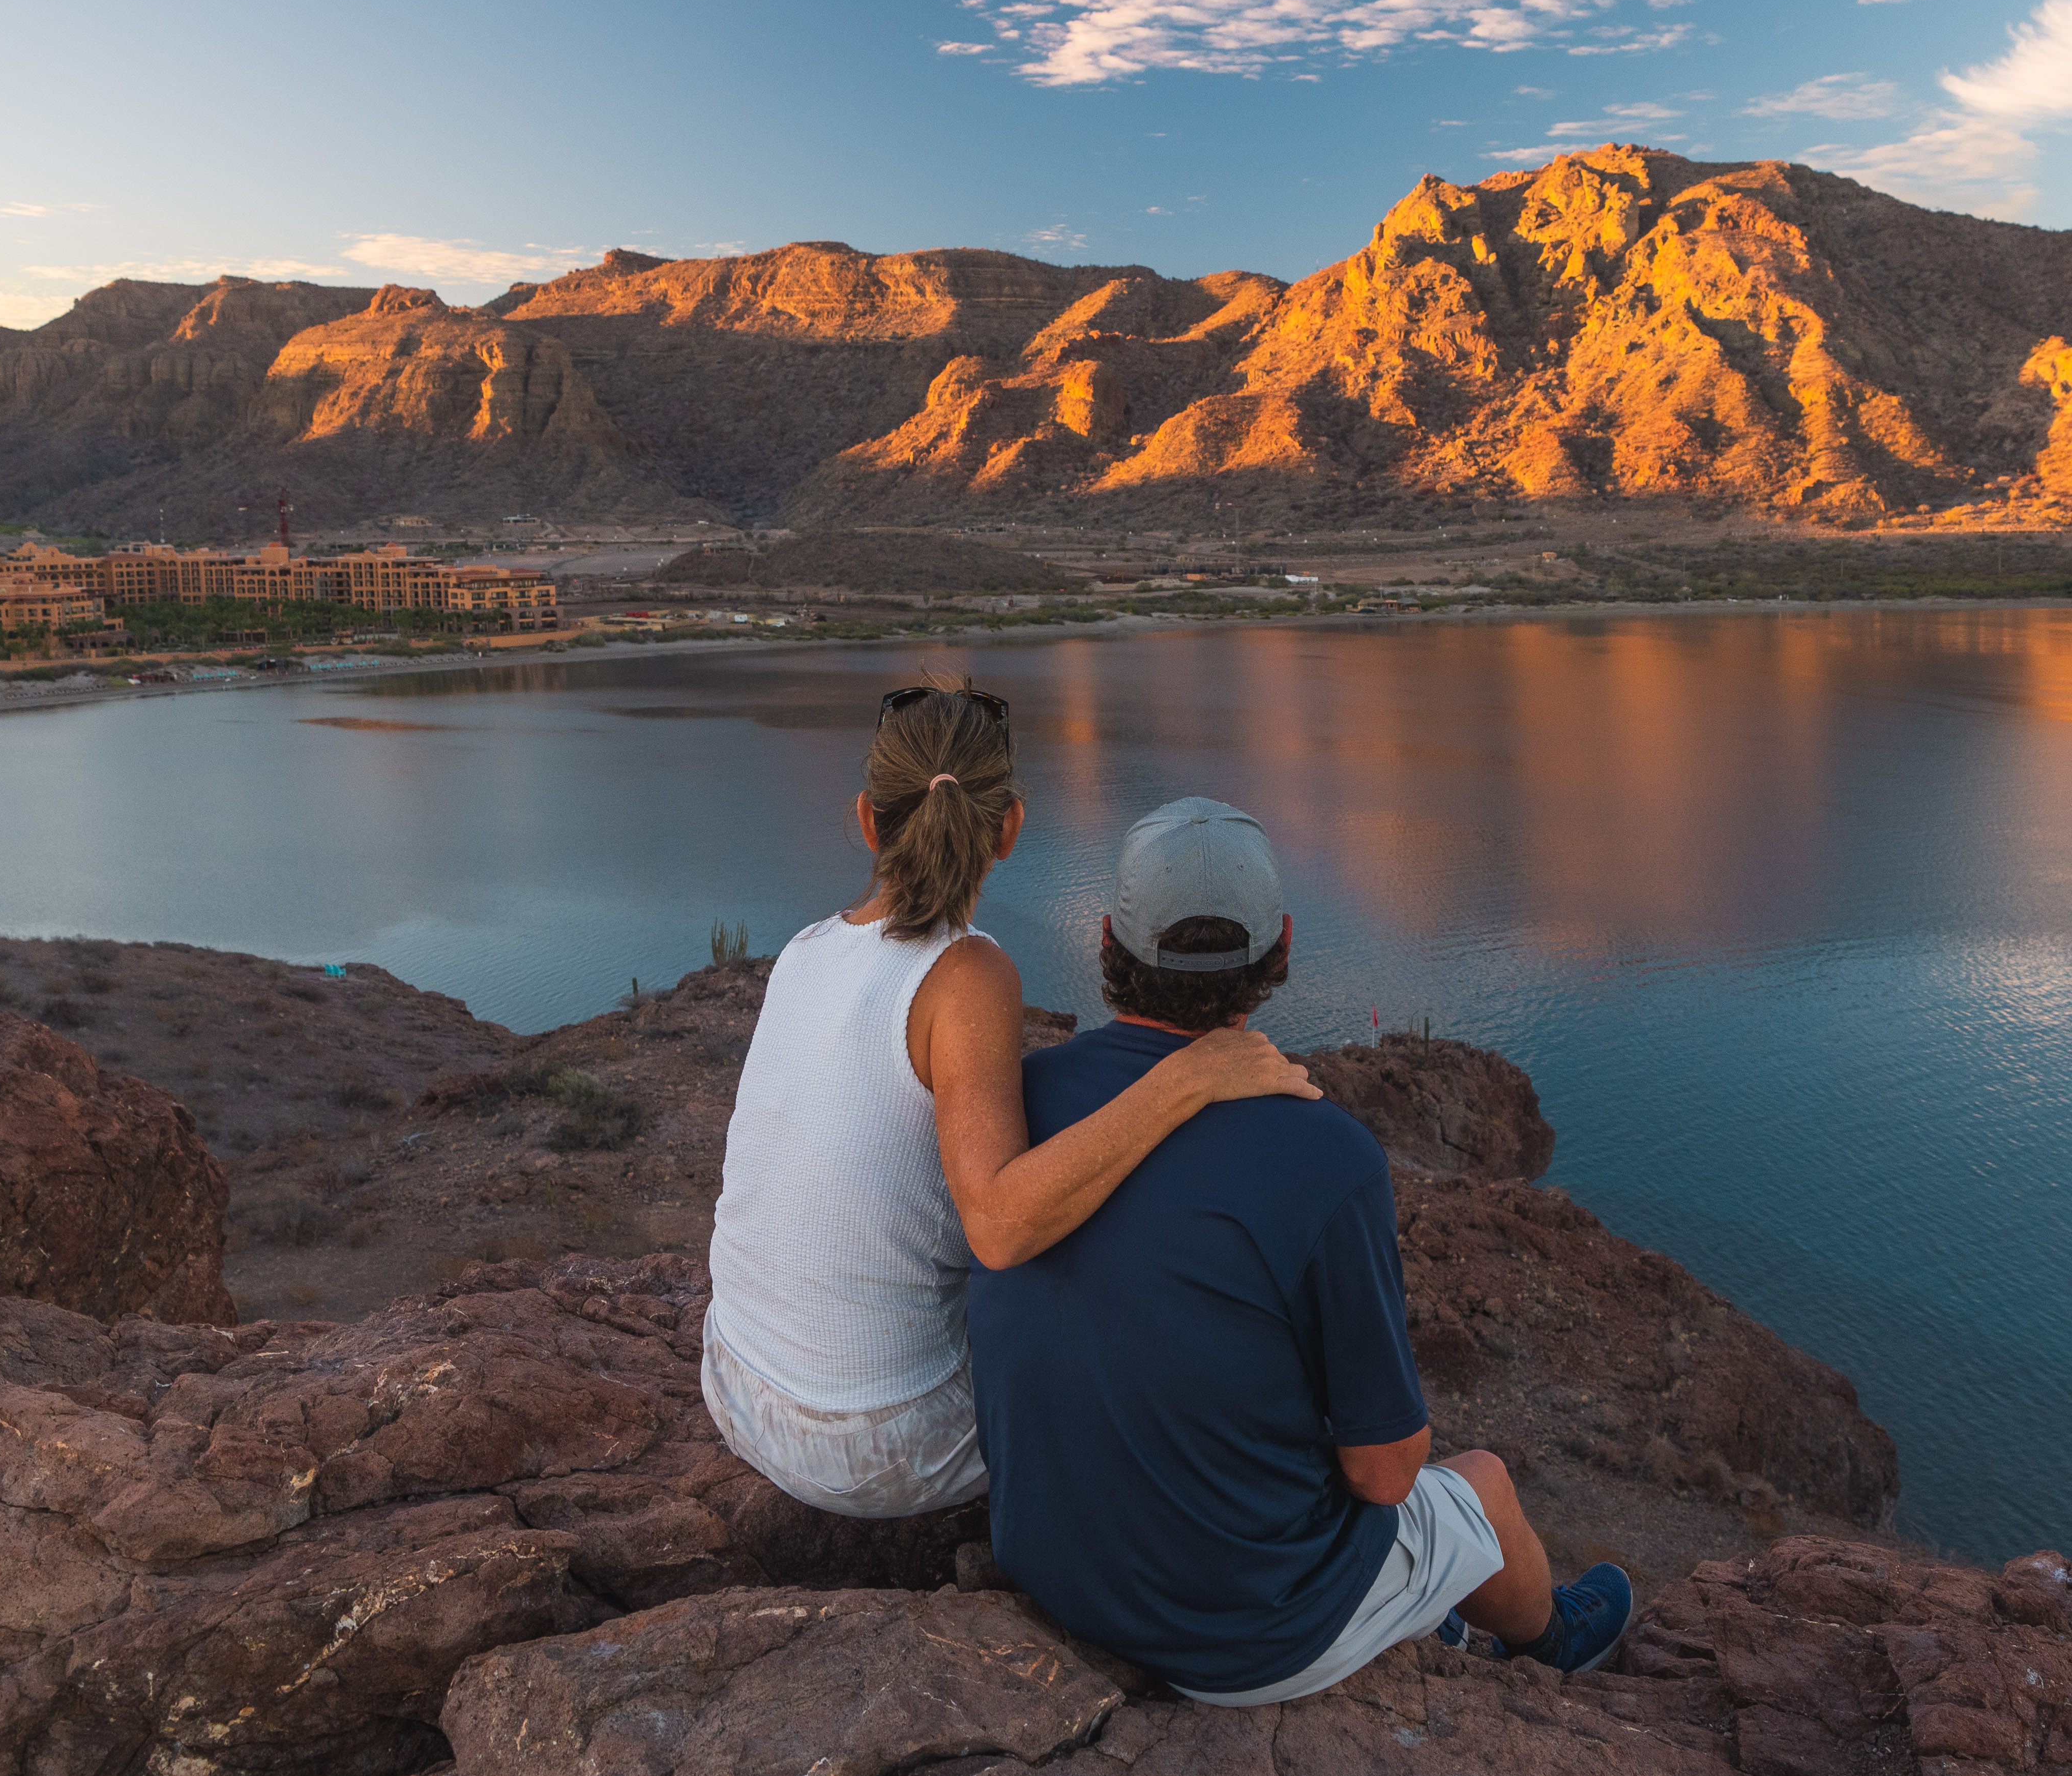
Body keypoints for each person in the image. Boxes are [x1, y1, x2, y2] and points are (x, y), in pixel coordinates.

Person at [968, 795, 1633, 1701]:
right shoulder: (1327, 1157)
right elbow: (1387, 1469)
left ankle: (1415, 1606)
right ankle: (1558, 1645)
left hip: (1051, 1567)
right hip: (1240, 1638)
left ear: (1107, 943)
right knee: (1479, 1483)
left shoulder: (1022, 1100)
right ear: (1281, 947)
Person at [699, 683, 1317, 1518]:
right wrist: (1192, 1075)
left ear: (868, 819)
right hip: (877, 1446)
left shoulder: (805, 951)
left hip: (733, 1382)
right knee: (1125, 1317)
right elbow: (998, 1225)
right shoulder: (967, 974)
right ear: (1012, 828)